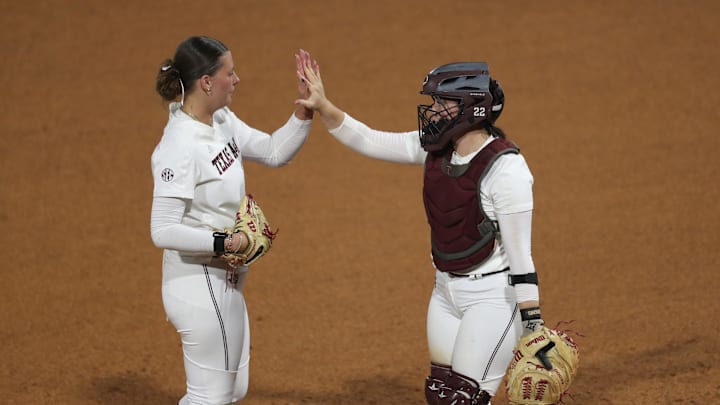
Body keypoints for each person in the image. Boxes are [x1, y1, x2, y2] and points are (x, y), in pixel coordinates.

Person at [295, 50, 544, 404]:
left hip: (492, 300)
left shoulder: (507, 171)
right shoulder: (435, 149)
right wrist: (324, 105)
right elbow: (369, 139)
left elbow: (521, 254)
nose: (434, 112)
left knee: (462, 399)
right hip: (445, 292)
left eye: (444, 103)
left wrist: (532, 323)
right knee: (440, 393)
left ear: (471, 108)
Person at [150, 36, 313, 405]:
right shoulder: (179, 146)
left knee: (231, 390)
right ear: (206, 82)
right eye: (229, 72)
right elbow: (161, 230)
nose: (237, 79)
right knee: (211, 397)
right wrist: (226, 242)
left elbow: (273, 151)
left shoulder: (220, 120)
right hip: (198, 282)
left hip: (226, 280)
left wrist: (304, 110)